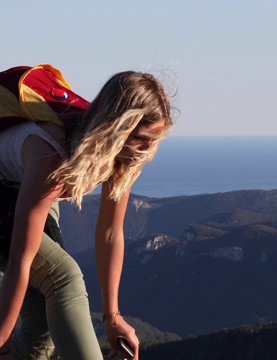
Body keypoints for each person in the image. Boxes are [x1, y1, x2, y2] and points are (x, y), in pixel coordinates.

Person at [0, 66, 174, 359]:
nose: (149, 149)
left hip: (22, 184)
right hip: (19, 185)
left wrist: (112, 317)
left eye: (155, 139)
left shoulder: (121, 154)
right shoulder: (51, 155)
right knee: (63, 278)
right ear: (116, 129)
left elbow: (109, 233)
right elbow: (21, 258)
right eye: (142, 138)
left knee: (42, 326)